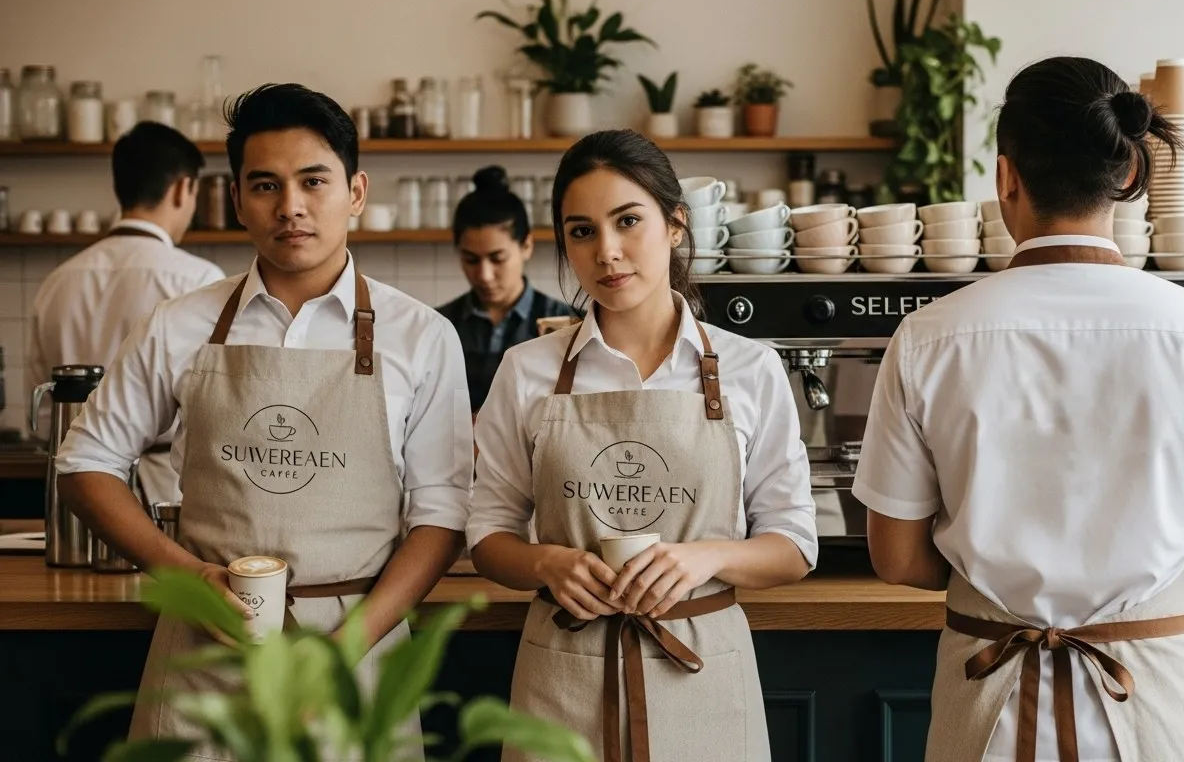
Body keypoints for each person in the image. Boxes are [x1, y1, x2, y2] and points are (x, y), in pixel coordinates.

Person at [854, 56, 1184, 762]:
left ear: (1006, 177)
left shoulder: (928, 338)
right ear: (1127, 171)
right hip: (1154, 703)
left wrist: (1002, 587)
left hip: (985, 701)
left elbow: (897, 555)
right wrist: (1132, 593)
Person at [55, 83, 473, 761]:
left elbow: (443, 515)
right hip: (207, 649)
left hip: (356, 652)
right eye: (265, 185)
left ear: (356, 192)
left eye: (314, 181)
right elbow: (84, 465)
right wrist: (187, 576)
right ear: (236, 198)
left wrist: (346, 648)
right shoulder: (178, 324)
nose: (291, 206)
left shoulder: (421, 336)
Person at [468, 129, 817, 762]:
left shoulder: (750, 368)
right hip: (562, 677)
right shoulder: (527, 370)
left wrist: (704, 559)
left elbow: (793, 545)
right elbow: (489, 534)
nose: (606, 251)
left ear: (675, 225)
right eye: (581, 231)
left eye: (628, 221)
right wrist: (546, 564)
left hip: (704, 676)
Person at [28, 121, 224, 507]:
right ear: (183, 188)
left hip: (77, 492)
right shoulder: (200, 280)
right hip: (165, 493)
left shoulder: (57, 281)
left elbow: (40, 410)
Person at [435, 165, 579, 413]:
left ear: (526, 246)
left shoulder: (569, 323)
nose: (484, 275)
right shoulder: (439, 326)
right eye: (471, 260)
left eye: (497, 258)